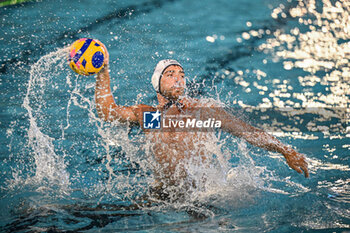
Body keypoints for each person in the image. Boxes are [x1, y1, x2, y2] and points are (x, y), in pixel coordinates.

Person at [94, 45, 309, 198]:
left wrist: (285, 150)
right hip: (163, 194)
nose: (178, 78)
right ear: (157, 84)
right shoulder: (151, 116)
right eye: (170, 74)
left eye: (181, 74)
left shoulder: (201, 111)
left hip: (203, 195)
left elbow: (247, 131)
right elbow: (108, 112)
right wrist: (103, 72)